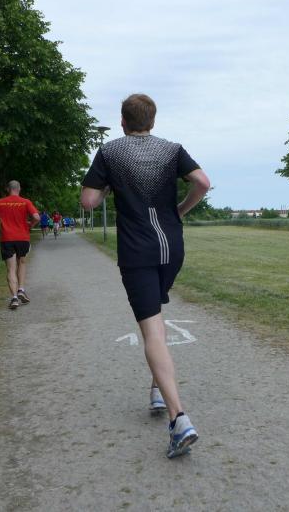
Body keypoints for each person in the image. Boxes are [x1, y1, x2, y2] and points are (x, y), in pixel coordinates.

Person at [81, 94, 210, 458]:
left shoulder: (110, 152)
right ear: (152, 120)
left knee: (151, 329)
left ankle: (178, 419)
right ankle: (157, 390)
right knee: (156, 316)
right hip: (172, 248)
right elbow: (202, 182)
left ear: (123, 121)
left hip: (137, 250)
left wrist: (108, 187)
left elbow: (88, 202)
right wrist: (180, 210)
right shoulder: (172, 150)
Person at [0, 180, 40, 310]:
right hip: (22, 238)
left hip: (7, 239)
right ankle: (21, 289)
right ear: (19, 189)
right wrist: (30, 225)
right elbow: (37, 217)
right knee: (22, 263)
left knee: (11, 268)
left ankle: (14, 298)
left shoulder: (0, 202)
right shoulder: (25, 202)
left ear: (7, 189)